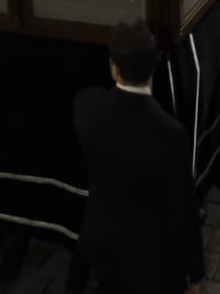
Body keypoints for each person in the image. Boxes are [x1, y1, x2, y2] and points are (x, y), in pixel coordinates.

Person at [73, 21, 205, 294]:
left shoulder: (86, 106)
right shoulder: (171, 134)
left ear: (113, 67)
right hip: (151, 257)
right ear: (153, 67)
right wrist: (195, 272)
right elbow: (183, 211)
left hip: (101, 240)